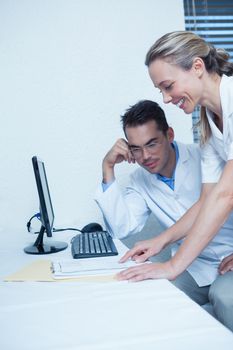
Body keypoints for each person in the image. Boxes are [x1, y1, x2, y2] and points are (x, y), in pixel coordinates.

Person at [117, 31, 233, 332]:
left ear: (197, 67)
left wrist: (172, 265)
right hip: (210, 257)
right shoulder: (209, 119)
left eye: (168, 87)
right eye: (161, 91)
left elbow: (226, 196)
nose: (167, 99)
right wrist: (160, 242)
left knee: (225, 296)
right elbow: (208, 199)